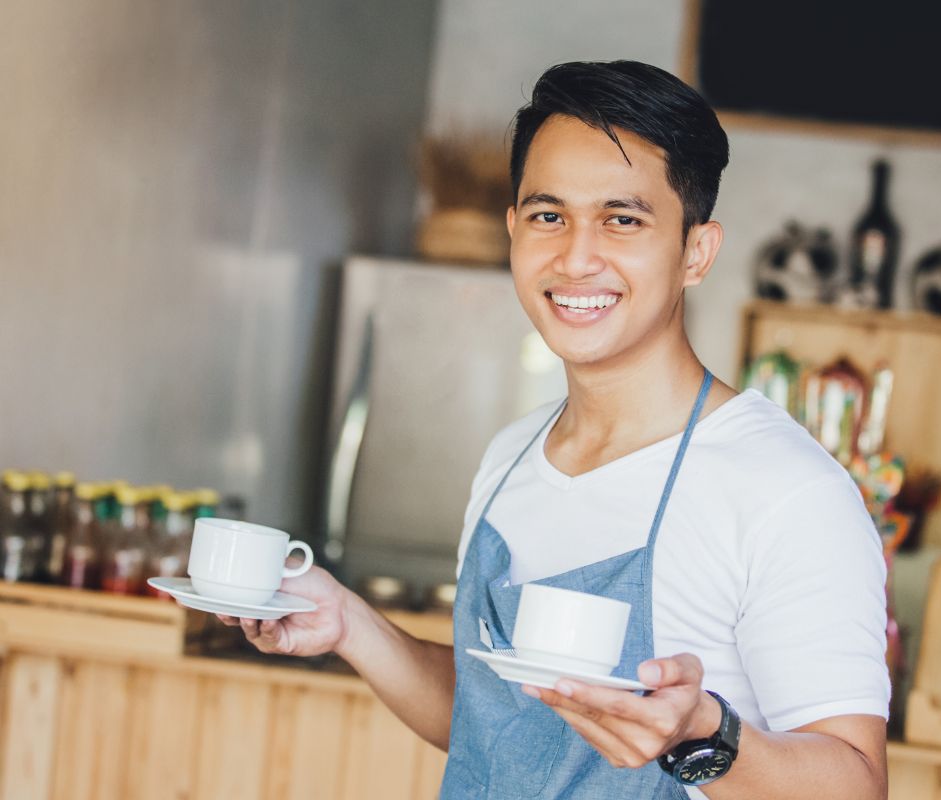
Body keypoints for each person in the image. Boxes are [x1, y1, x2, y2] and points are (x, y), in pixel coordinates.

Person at [219, 60, 890, 798]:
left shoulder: (785, 490)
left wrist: (703, 736)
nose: (576, 257)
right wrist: (346, 622)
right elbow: (497, 723)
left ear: (695, 251)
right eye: (548, 216)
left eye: (622, 219)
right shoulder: (512, 457)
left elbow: (856, 786)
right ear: (514, 230)